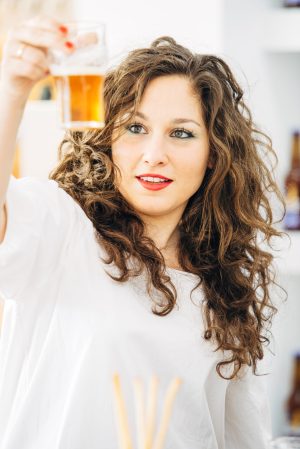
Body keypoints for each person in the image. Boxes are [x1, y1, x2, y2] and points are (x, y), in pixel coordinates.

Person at [0, 16, 284, 449]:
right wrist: (12, 92)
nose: (155, 155)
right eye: (135, 128)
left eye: (182, 134)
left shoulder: (225, 292)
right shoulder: (63, 232)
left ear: (214, 155)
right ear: (108, 137)